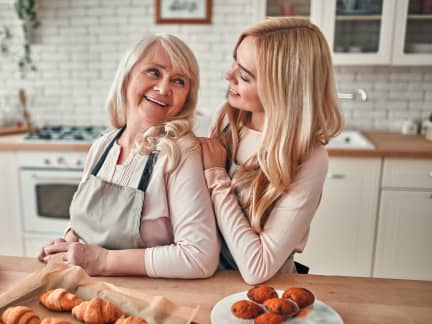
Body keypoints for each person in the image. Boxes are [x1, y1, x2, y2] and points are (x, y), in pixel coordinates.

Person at [38, 33, 220, 278]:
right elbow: (84, 224)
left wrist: (104, 260)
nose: (164, 88)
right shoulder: (103, 146)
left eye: (178, 81)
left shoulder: (179, 155)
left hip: (145, 300)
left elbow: (200, 256)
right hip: (86, 289)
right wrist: (66, 243)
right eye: (154, 72)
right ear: (126, 77)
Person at [199, 18, 343, 285]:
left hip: (266, 292)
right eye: (234, 64)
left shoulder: (308, 157)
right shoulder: (228, 120)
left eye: (244, 76)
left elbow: (259, 268)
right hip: (210, 278)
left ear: (283, 89)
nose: (228, 76)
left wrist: (217, 177)